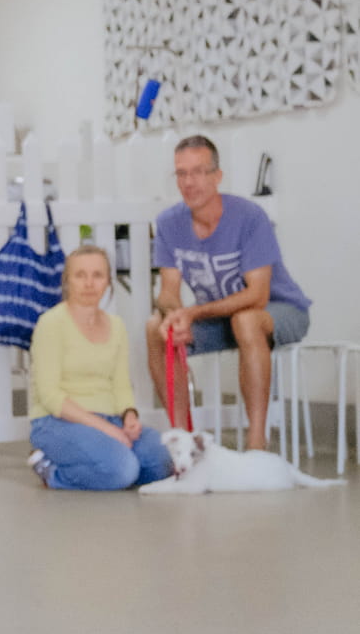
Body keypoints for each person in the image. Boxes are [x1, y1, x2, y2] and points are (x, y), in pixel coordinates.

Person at [146, 135, 310, 450]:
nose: (189, 182)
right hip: (223, 318)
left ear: (217, 177)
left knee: (246, 320)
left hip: (281, 310)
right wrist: (174, 315)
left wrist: (192, 312)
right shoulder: (168, 223)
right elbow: (168, 291)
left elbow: (257, 296)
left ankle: (256, 444)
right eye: (181, 173)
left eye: (198, 172)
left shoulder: (249, 217)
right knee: (156, 328)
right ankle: (183, 442)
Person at [29, 243, 173, 490]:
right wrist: (108, 430)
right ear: (67, 281)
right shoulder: (51, 323)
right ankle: (52, 472)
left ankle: (109, 469)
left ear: (108, 281)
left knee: (164, 461)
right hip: (57, 422)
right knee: (123, 469)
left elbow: (120, 384)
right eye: (80, 275)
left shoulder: (116, 326)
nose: (89, 283)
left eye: (97, 275)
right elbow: (51, 396)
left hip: (109, 418)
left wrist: (129, 416)